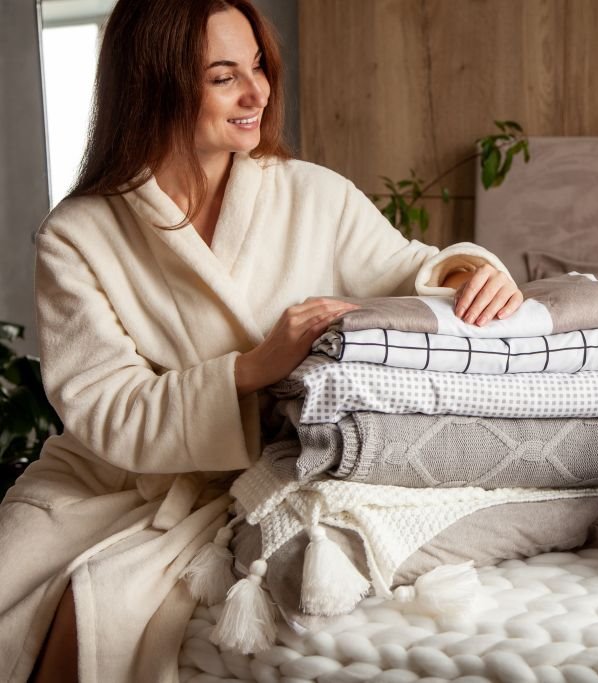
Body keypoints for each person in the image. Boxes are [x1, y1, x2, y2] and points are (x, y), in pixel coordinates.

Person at [0, 1, 522, 681]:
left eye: (258, 67)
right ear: (154, 85)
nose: (258, 94)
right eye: (224, 78)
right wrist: (248, 370)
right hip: (106, 485)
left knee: (101, 606)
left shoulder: (312, 194)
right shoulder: (76, 236)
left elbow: (412, 270)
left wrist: (470, 274)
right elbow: (109, 411)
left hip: (254, 476)